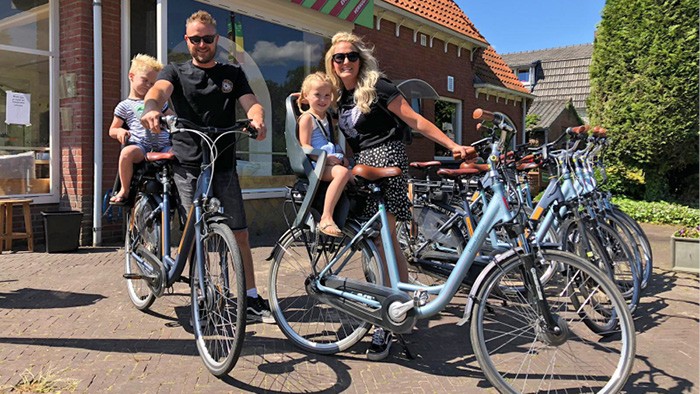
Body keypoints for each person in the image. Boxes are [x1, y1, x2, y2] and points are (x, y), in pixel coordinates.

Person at [325, 32, 476, 360]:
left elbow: (415, 119)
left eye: (351, 56)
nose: (346, 62)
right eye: (339, 58)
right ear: (332, 63)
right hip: (362, 166)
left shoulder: (379, 87)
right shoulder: (340, 97)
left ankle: (388, 320)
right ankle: (394, 305)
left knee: (384, 242)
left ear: (360, 60)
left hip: (387, 160)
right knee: (377, 244)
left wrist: (451, 145)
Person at [140, 10, 273, 324]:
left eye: (207, 38)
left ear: (216, 40)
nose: (202, 44)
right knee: (196, 231)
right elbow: (158, 92)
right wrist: (150, 109)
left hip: (223, 163)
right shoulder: (176, 71)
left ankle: (251, 298)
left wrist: (257, 117)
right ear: (187, 40)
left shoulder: (232, 73)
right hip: (188, 165)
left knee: (239, 234)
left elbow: (251, 101)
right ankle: (202, 294)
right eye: (195, 38)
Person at [108, 54, 172, 204]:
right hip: (140, 146)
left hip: (164, 145)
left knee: (181, 153)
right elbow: (112, 129)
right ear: (131, 76)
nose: (149, 86)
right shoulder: (125, 105)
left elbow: (174, 118)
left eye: (153, 83)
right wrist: (120, 131)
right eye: (145, 80)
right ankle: (124, 189)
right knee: (126, 153)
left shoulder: (159, 103)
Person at [297, 72, 352, 238]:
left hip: (329, 162)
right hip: (317, 164)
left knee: (353, 174)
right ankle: (326, 217)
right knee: (342, 173)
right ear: (306, 96)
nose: (322, 100)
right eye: (317, 95)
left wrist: (342, 156)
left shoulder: (327, 117)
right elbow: (305, 146)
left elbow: (331, 142)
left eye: (327, 95)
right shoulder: (307, 118)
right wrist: (325, 157)